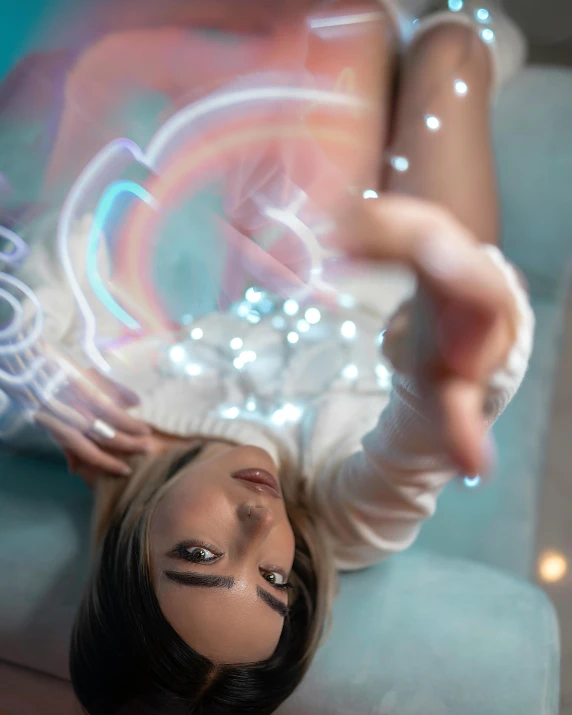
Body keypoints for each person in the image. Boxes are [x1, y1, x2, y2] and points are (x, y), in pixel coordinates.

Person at [6, 1, 534, 713]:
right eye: (274, 580)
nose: (259, 524)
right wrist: (453, 362)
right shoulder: (344, 517)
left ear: (125, 556)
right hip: (409, 257)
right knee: (437, 51)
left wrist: (23, 351)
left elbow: (56, 239)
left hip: (296, 180)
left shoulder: (83, 401)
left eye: (200, 556)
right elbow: (416, 443)